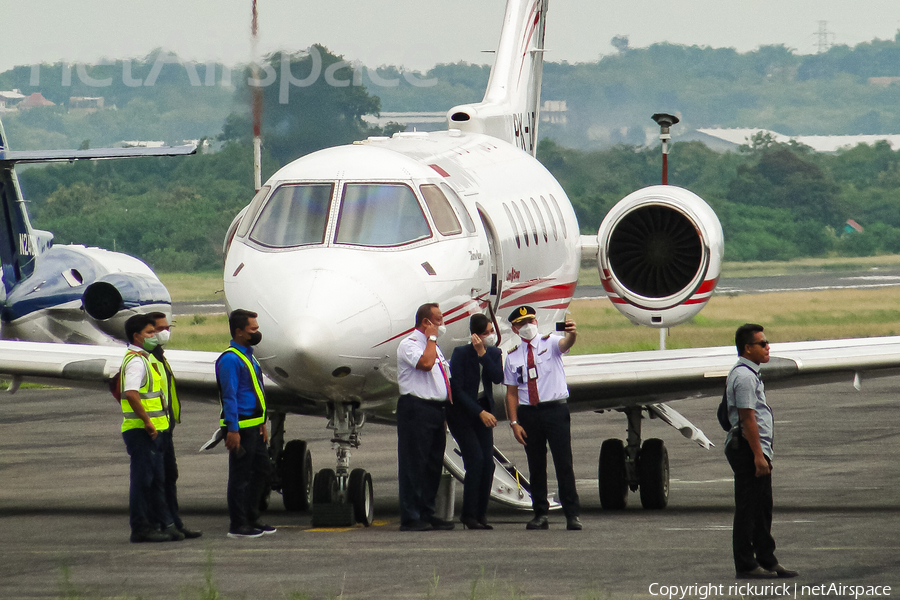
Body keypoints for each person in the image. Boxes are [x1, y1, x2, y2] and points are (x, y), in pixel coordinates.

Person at [725, 324, 799, 579]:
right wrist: (758, 455)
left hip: (756, 448)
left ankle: (766, 559)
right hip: (748, 449)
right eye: (763, 344)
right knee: (749, 508)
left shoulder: (748, 373)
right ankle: (746, 564)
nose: (768, 348)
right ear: (748, 348)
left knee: (762, 506)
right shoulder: (744, 377)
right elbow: (747, 419)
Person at [503, 306, 581, 531]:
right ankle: (540, 513)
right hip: (529, 413)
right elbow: (511, 392)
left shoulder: (551, 343)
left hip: (554, 411)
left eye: (530, 321)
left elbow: (566, 344)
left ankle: (572, 514)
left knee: (563, 463)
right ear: (515, 329)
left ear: (536, 323)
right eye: (521, 323)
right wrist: (514, 422)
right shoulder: (513, 356)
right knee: (536, 466)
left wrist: (572, 334)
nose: (527, 326)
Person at [395, 302, 455, 531]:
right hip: (416, 408)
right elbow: (426, 364)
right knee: (414, 464)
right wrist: (431, 339)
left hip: (435, 410)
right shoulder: (409, 344)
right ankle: (411, 516)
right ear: (426, 322)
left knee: (432, 464)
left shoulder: (435, 346)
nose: (442, 323)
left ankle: (427, 512)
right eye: (438, 319)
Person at [215, 309, 274, 539]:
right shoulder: (231, 359)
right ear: (239, 332)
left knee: (262, 471)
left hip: (255, 425)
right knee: (241, 476)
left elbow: (255, 391)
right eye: (253, 329)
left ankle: (252, 516)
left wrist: (262, 422)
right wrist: (233, 430)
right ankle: (238, 524)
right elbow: (229, 396)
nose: (257, 333)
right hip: (241, 426)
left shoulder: (249, 356)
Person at [120, 314, 178, 543]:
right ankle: (141, 528)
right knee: (143, 481)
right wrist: (147, 421)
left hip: (154, 430)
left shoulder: (146, 358)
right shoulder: (136, 361)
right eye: (149, 333)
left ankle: (157, 525)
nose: (155, 336)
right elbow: (131, 392)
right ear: (137, 336)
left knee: (155, 480)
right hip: (141, 431)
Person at [145, 312, 202, 539]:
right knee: (154, 479)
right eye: (158, 329)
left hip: (165, 428)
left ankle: (173, 522)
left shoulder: (160, 357)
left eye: (167, 327)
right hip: (152, 430)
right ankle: (159, 524)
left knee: (169, 476)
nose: (164, 333)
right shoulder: (145, 359)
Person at [448, 314, 503, 530]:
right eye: (486, 333)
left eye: (491, 331)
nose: (490, 336)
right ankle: (468, 514)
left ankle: (481, 513)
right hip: (462, 414)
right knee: (476, 460)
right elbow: (458, 390)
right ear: (475, 336)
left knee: (488, 464)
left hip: (482, 411)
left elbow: (497, 377)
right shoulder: (460, 354)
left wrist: (483, 355)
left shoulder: (494, 352)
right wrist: (479, 412)